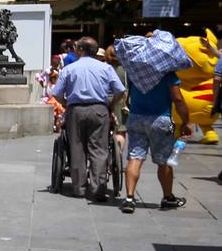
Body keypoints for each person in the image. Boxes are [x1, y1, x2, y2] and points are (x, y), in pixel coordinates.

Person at [50, 36, 125, 201]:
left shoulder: (70, 69)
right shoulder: (105, 68)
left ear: (80, 50)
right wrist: (111, 105)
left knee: (77, 148)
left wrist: (67, 103)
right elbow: (120, 91)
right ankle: (98, 188)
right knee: (99, 149)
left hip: (76, 110)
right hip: (99, 109)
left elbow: (56, 93)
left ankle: (79, 188)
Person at [121, 56, 192, 214]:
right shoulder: (167, 74)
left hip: (136, 117)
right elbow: (178, 99)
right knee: (164, 161)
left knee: (135, 157)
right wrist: (186, 121)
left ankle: (129, 198)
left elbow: (130, 93)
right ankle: (167, 197)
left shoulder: (135, 72)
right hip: (160, 119)